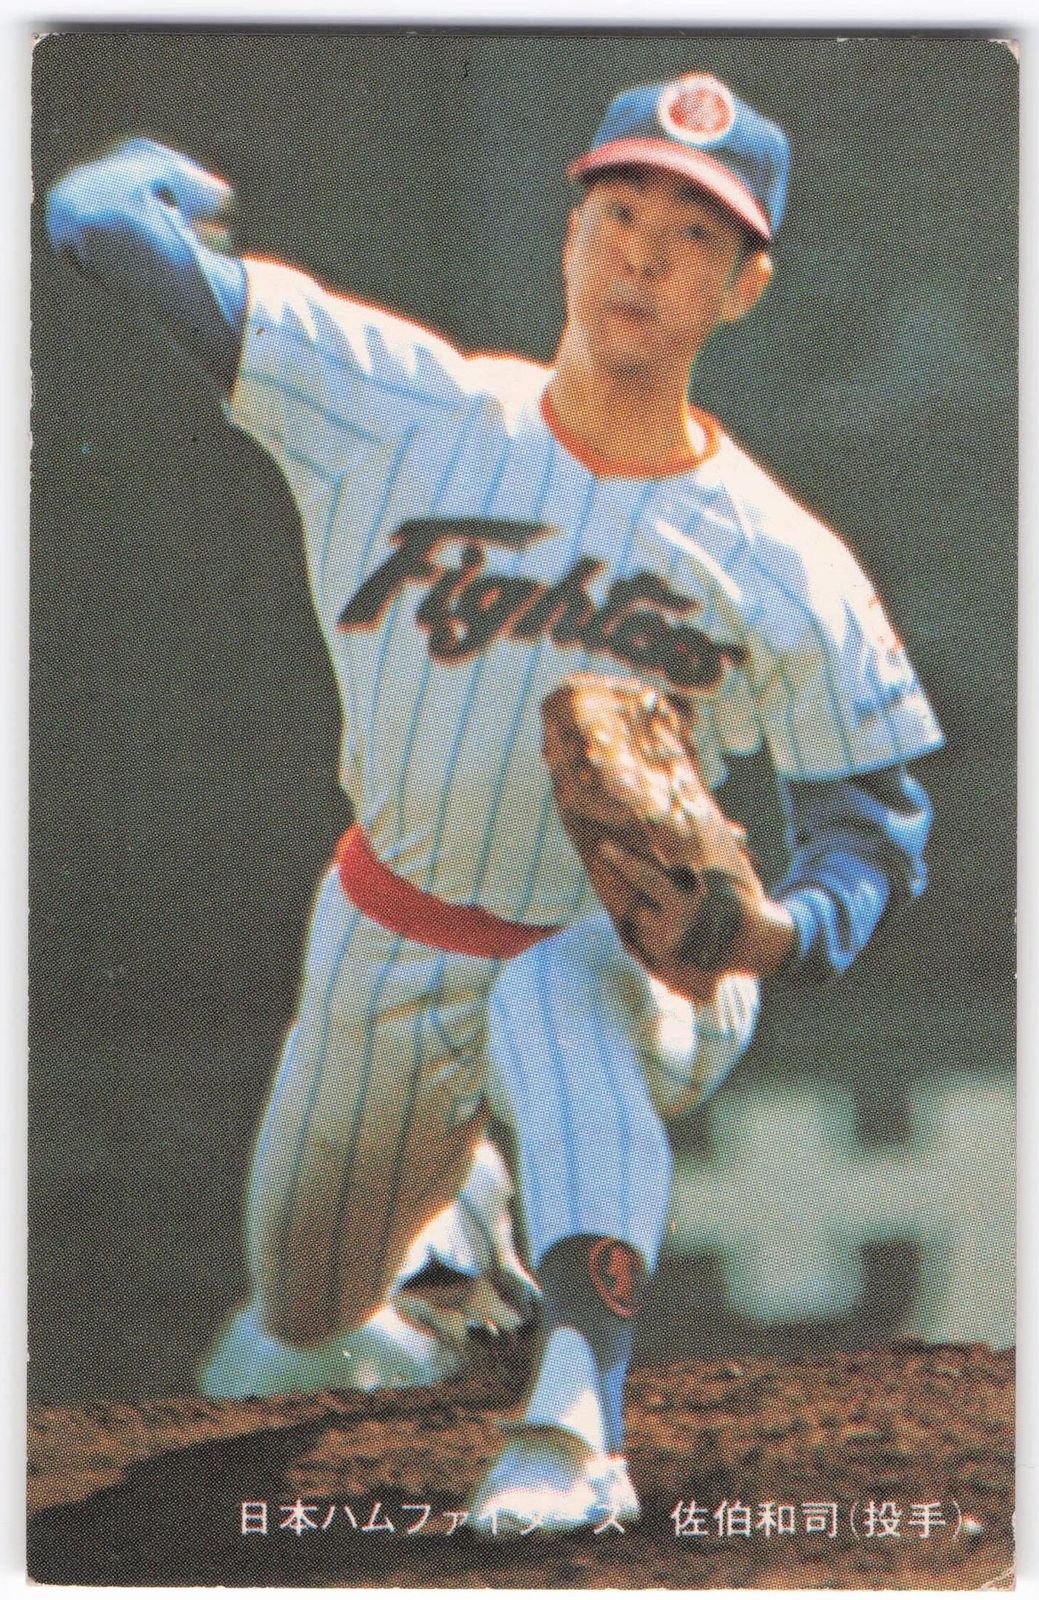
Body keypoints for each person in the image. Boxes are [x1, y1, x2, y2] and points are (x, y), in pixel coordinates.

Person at [45, 69, 942, 1533]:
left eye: (695, 237)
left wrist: (775, 932)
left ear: (745, 289)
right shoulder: (402, 406)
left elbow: (875, 826)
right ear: (569, 229)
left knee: (553, 991)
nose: (644, 255)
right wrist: (161, 180)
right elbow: (94, 223)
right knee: (308, 1303)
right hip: (389, 931)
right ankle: (458, 1227)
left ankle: (574, 1430)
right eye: (620, 211)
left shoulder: (782, 558)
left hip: (639, 955)